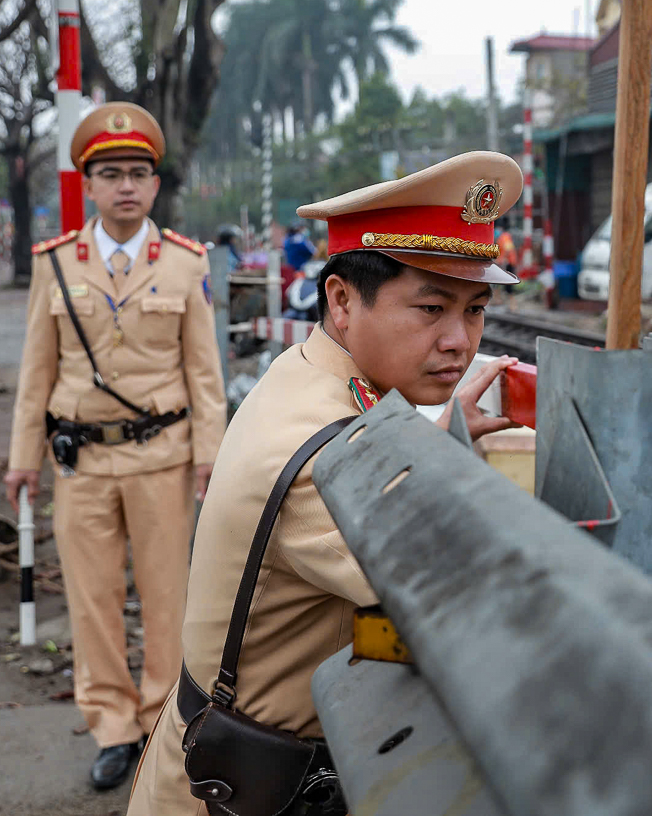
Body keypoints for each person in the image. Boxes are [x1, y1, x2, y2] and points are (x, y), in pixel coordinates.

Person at [128, 151, 525, 814]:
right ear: (341, 300)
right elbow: (469, 601)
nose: (460, 340)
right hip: (241, 790)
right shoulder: (322, 455)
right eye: (431, 308)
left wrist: (451, 427)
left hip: (249, 768)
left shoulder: (316, 377)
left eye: (476, 310)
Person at [3, 101, 227, 789]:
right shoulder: (57, 263)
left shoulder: (187, 265)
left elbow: (204, 371)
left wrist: (210, 458)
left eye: (137, 173)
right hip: (82, 462)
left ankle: (164, 724)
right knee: (92, 601)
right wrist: (22, 460)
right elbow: (38, 368)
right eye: (110, 174)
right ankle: (111, 725)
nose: (125, 185)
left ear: (155, 186)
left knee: (168, 601)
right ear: (88, 185)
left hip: (162, 459)